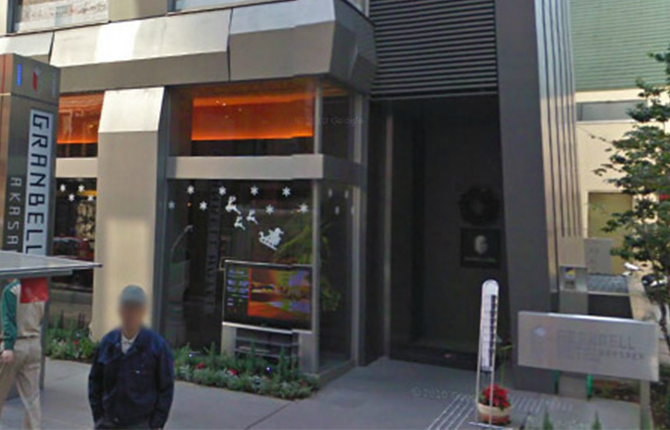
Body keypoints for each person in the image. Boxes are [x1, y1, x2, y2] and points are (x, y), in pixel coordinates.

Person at [89, 285, 174, 429]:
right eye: (127, 308)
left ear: (143, 312)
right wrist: (99, 417)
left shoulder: (156, 347)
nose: (131, 314)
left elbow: (166, 388)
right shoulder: (108, 344)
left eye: (136, 309)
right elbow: (95, 381)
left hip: (141, 424)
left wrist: (156, 424)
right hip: (109, 423)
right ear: (120, 311)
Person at [0, 278, 48, 430]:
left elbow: (8, 320)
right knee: (32, 397)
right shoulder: (38, 288)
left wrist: (8, 345)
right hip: (34, 343)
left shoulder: (11, 291)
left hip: (15, 345)